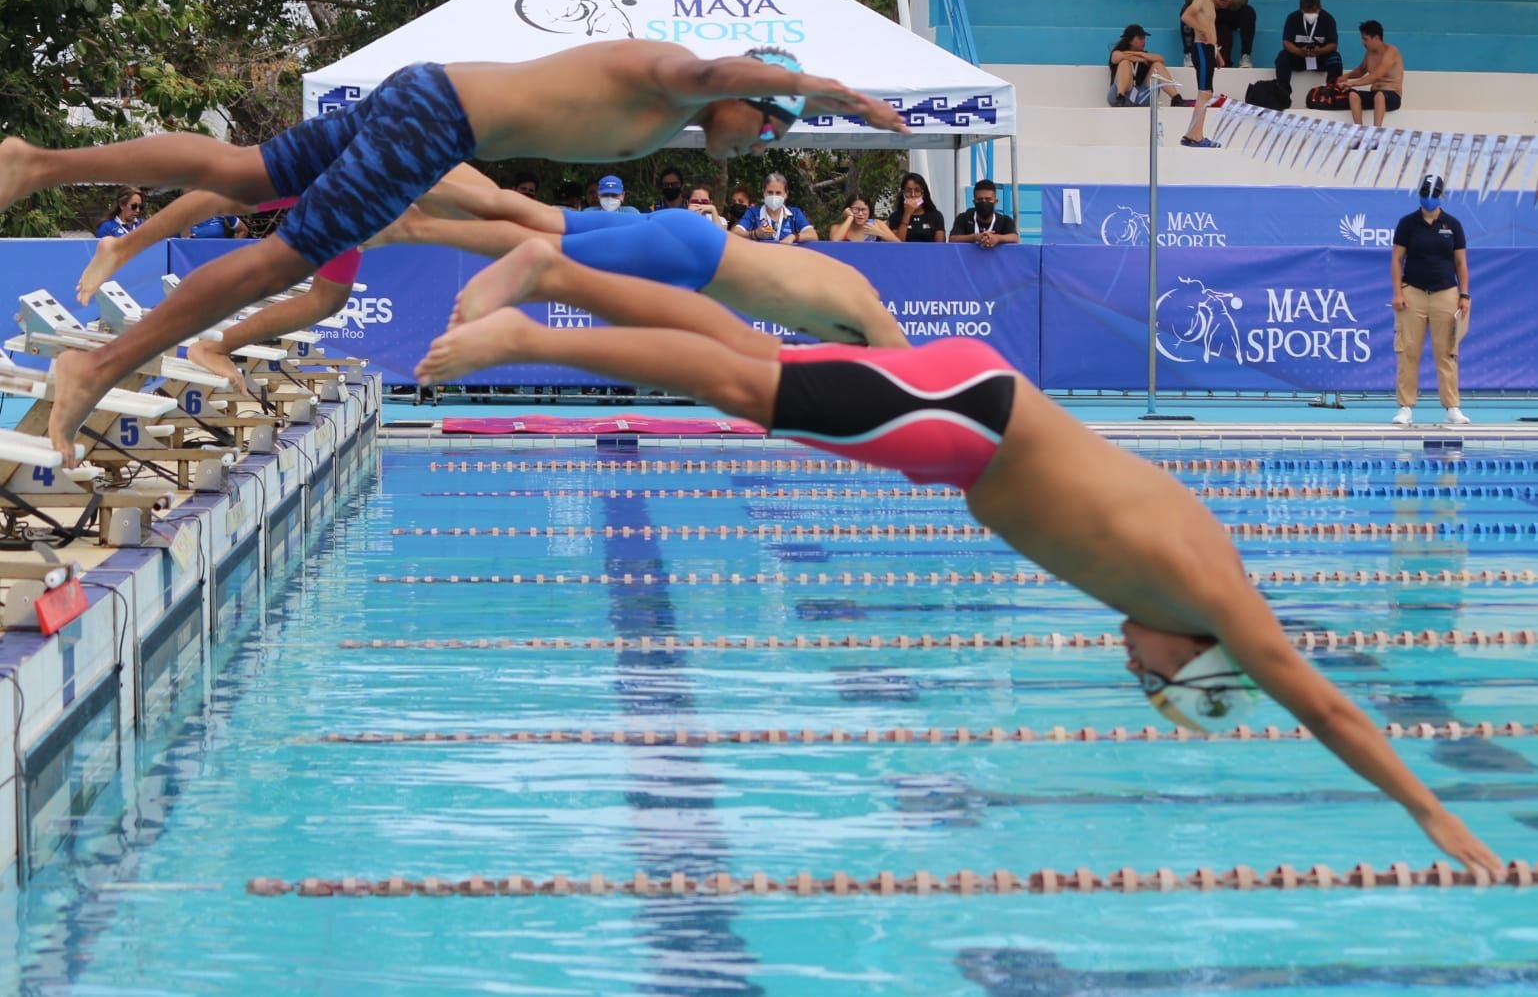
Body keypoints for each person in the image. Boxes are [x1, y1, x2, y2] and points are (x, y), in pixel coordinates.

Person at [415, 238, 1503, 877]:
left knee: (749, 357)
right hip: (964, 423)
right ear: (1197, 657)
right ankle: (531, 335)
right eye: (1155, 680)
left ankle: (550, 268)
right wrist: (1427, 810)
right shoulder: (1210, 594)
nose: (1135, 669)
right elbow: (1327, 708)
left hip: (964, 414)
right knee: (748, 388)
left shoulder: (1184, 574)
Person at [0, 41, 906, 465]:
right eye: (767, 127)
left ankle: (36, 164)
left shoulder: (679, 109)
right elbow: (721, 77)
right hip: (436, 120)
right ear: (750, 91)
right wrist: (828, 89)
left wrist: (811, 101)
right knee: (286, 257)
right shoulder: (678, 76)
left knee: (244, 174)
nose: (756, 148)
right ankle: (99, 367)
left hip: (426, 99)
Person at [365, 165, 907, 348]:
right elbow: (917, 379)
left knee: (533, 214)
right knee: (544, 247)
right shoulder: (863, 315)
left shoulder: (846, 283)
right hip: (689, 257)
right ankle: (413, 226)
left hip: (684, 240)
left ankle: (422, 169)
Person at [76, 188, 359, 390]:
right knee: (231, 198)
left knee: (328, 300)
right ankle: (122, 247)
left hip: (357, 207)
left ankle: (216, 347)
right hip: (352, 190)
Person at [1391, 174, 1471, 427]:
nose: (1428, 198)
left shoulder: (1453, 225)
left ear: (1442, 196)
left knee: (1447, 352)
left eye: (1433, 194)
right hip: (1413, 292)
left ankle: (1452, 407)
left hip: (1446, 293)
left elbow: (1460, 263)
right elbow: (1396, 260)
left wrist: (1464, 294)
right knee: (1408, 351)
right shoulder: (1407, 224)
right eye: (1425, 193)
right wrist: (1398, 293)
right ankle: (1405, 407)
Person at [1335, 20, 1403, 129]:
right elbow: (1361, 70)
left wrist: (1352, 83)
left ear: (1376, 38)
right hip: (1375, 94)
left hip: (1392, 96)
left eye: (1365, 39)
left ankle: (1376, 131)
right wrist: (1346, 76)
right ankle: (1359, 130)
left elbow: (1376, 76)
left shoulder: (1391, 51)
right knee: (1353, 95)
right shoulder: (1369, 53)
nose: (1363, 42)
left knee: (1380, 96)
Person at [1275, 0, 1344, 93]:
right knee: (1282, 57)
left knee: (1335, 58)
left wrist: (1320, 51)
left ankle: (1331, 91)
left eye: (1314, 10)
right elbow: (1286, 42)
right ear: (1301, 8)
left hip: (1320, 58)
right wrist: (1299, 51)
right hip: (1299, 58)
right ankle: (1282, 90)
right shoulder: (1293, 18)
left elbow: (1333, 45)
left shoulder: (1328, 19)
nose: (1311, 13)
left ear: (1319, 7)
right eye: (1307, 10)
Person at [1107, 24, 1186, 108]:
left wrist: (1140, 54)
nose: (1144, 41)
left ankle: (1176, 98)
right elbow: (1116, 57)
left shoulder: (1145, 55)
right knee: (1124, 63)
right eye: (1140, 38)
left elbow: (1161, 58)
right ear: (1130, 40)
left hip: (1141, 97)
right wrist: (1141, 58)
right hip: (1120, 96)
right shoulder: (1118, 52)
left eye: (1144, 38)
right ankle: (1120, 97)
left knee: (1157, 65)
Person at [1179, 0, 1222, 148]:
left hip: (1209, 50)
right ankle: (1196, 136)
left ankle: (1192, 134)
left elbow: (1211, 29)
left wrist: (1217, 54)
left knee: (1206, 93)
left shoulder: (1210, 3)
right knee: (1204, 93)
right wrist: (1200, 28)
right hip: (1202, 49)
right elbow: (1186, 16)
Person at [733, 172, 817, 244]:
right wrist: (755, 234)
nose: (774, 196)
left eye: (778, 193)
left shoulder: (794, 214)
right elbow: (735, 233)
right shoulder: (753, 213)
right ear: (763, 192)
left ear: (786, 194)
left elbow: (813, 235)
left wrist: (794, 237)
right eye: (770, 192)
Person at [1181, 0, 1255, 68]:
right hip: (1205, 12)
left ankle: (1245, 56)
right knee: (1187, 10)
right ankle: (1189, 54)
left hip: (1229, 11)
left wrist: (1230, 3)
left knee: (1248, 11)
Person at [949, 179, 1020, 248]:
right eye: (980, 200)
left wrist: (997, 238)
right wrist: (976, 237)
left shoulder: (1005, 220)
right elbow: (952, 239)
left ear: (996, 201)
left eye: (988, 199)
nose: (984, 202)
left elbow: (1014, 238)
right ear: (974, 202)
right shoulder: (963, 218)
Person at [888, 172, 946, 243]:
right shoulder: (895, 217)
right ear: (903, 193)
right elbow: (897, 243)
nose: (913, 195)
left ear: (923, 193)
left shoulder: (936, 216)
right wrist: (907, 214)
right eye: (908, 191)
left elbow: (940, 245)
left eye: (917, 191)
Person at [828, 192, 897, 242]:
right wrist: (850, 217)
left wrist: (879, 233)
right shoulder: (837, 228)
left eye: (864, 209)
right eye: (856, 209)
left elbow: (899, 245)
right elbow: (835, 241)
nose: (860, 213)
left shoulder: (877, 224)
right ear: (848, 209)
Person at [185, 209, 250, 239]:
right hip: (196, 258)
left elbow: (243, 230)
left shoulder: (222, 211)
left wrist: (232, 247)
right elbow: (183, 240)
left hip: (220, 258)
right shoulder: (187, 215)